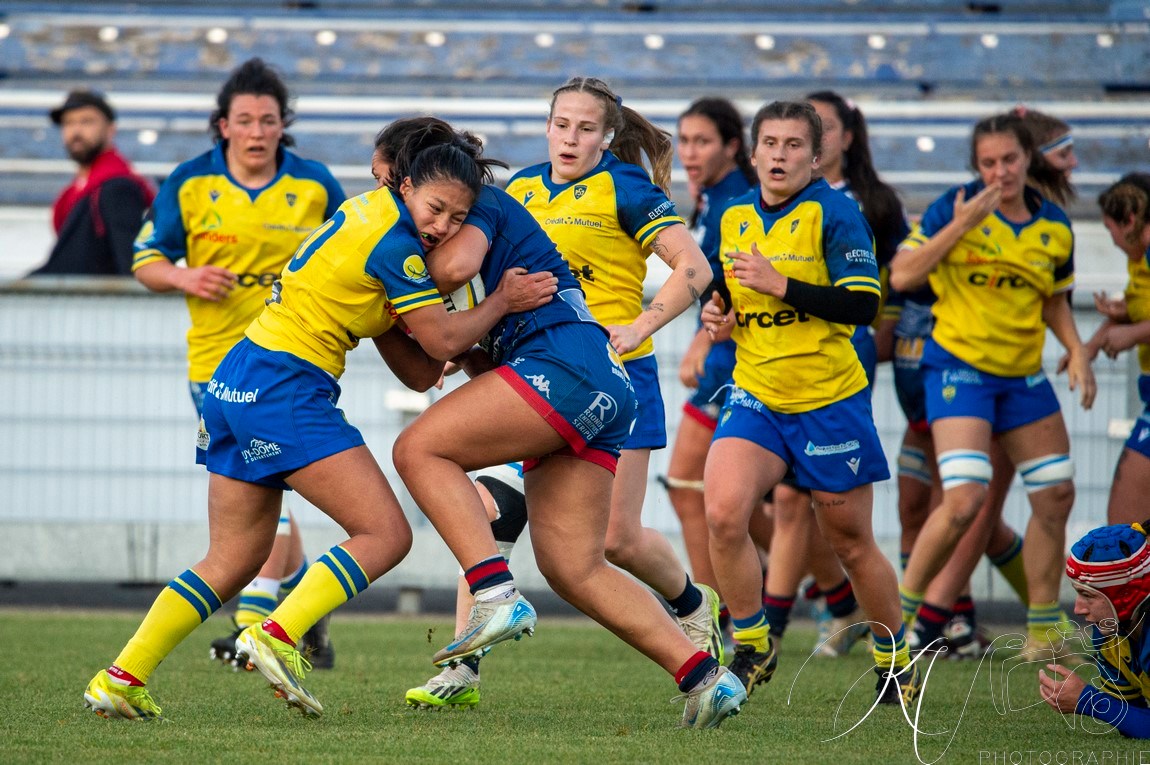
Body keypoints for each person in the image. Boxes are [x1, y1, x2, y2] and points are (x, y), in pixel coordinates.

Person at [82, 124, 557, 721]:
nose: (442, 226)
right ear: (405, 183)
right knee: (386, 534)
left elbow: (417, 367)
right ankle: (277, 635)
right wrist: (501, 303)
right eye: (436, 209)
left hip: (236, 379)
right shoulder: (394, 242)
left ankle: (121, 677)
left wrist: (456, 349)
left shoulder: (366, 219)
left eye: (457, 219)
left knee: (233, 557)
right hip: (286, 387)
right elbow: (437, 334)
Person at [392, 127, 747, 728]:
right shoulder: (484, 212)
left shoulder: (484, 206)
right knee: (575, 567)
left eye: (390, 190)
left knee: (417, 448)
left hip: (569, 364)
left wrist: (379, 269)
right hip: (598, 378)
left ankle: (494, 594)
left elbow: (454, 266)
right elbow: (432, 365)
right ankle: (706, 678)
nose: (433, 222)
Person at [130, 58, 345, 670]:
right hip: (217, 368)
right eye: (244, 120)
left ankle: (255, 619)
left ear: (284, 127)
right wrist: (183, 275)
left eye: (269, 120)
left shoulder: (315, 185)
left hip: (298, 363)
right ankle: (280, 608)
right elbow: (145, 258)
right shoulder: (191, 183)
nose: (256, 132)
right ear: (222, 126)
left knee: (265, 484)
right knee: (266, 484)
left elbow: (357, 252)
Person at [701, 100, 918, 704]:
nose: (779, 154)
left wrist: (783, 285)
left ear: (816, 157)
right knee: (722, 512)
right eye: (769, 142)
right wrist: (714, 309)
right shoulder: (735, 214)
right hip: (756, 393)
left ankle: (894, 656)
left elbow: (862, 306)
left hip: (829, 400)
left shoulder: (838, 214)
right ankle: (753, 640)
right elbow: (726, 285)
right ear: (752, 154)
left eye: (794, 144)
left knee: (849, 541)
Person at [503, 77, 724, 661]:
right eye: (560, 125)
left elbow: (695, 271)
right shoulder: (520, 188)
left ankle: (694, 606)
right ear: (546, 127)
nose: (569, 138)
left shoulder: (626, 187)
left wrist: (639, 326)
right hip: (536, 374)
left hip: (619, 378)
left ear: (607, 136)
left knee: (616, 540)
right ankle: (461, 669)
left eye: (585, 128)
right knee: (494, 513)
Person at [889, 111, 1096, 660]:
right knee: (964, 499)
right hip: (959, 370)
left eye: (1009, 159)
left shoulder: (1054, 224)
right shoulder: (952, 206)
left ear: (1028, 158)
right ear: (975, 165)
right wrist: (959, 225)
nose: (999, 171)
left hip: (1022, 377)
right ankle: (900, 622)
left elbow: (1054, 299)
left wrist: (1076, 351)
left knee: (1056, 493)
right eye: (988, 162)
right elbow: (903, 276)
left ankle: (1044, 633)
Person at [663, 96, 756, 597]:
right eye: (685, 141)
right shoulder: (709, 195)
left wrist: (702, 338)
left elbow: (737, 281)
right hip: (728, 357)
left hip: (735, 359)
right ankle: (826, 588)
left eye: (703, 141)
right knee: (724, 498)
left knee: (688, 484)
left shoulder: (737, 199)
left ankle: (711, 605)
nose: (690, 152)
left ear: (733, 146)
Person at [1077, 173, 1150, 525]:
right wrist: (1089, 346)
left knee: (1124, 531)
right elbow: (1140, 307)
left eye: (1110, 229)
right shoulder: (1140, 258)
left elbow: (1138, 324)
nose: (1114, 242)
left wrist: (1133, 333)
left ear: (1131, 219)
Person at [1039, 521, 1150, 739]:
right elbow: (1131, 719)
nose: (1078, 609)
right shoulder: (1108, 633)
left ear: (1126, 595)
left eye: (1088, 595)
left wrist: (1089, 701)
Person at [30, 89, 154, 276]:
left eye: (86, 121)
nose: (76, 131)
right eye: (68, 123)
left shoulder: (117, 187)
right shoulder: (75, 192)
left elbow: (131, 266)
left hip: (91, 303)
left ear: (111, 130)